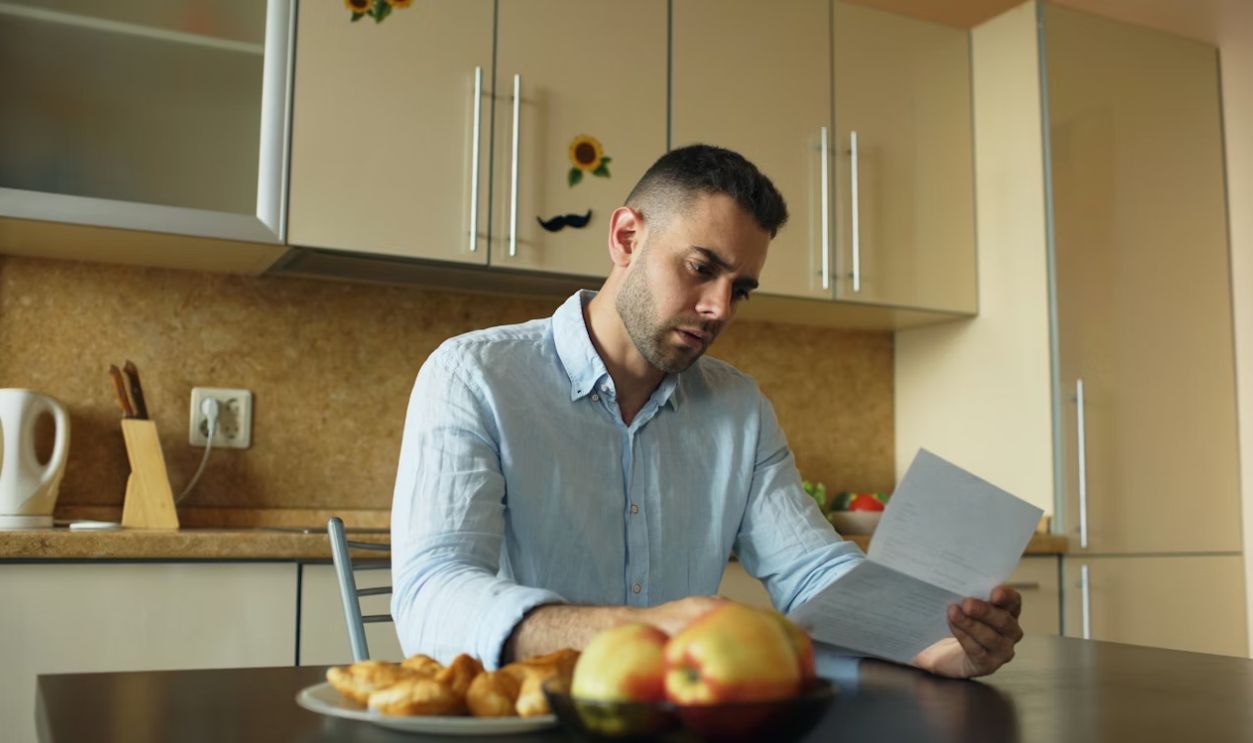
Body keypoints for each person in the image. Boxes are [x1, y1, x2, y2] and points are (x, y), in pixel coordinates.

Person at [390, 144, 1023, 679]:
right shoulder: (474, 375)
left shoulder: (740, 409)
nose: (721, 308)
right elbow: (431, 596)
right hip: (527, 722)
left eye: (739, 288)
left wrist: (930, 642)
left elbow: (811, 571)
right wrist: (631, 629)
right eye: (701, 268)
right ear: (626, 237)